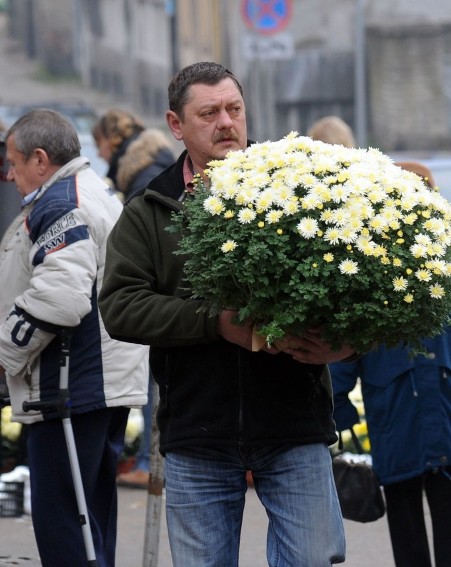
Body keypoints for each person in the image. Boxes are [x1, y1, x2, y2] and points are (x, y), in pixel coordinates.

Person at [98, 61, 350, 565]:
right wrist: (214, 324)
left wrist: (345, 342)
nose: (226, 123)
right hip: (198, 432)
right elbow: (121, 306)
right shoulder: (150, 208)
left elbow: (354, 289)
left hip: (294, 424)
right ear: (177, 125)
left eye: (234, 109)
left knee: (310, 560)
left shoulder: (302, 190)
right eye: (209, 113)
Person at [331, 161, 451, 567]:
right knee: (403, 511)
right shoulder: (368, 271)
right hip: (394, 407)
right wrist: (337, 403)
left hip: (449, 403)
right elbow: (344, 347)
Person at [0, 109, 148, 566]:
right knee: (90, 525)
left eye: (14, 161)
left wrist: (4, 351)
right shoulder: (87, 189)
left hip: (71, 389)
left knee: (66, 528)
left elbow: (61, 297)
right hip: (94, 385)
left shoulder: (62, 202)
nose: (10, 173)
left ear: (40, 159)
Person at [92, 108, 175, 489]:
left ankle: (147, 460)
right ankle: (147, 459)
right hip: (165, 289)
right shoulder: (158, 161)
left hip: (156, 290)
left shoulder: (140, 178)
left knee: (152, 384)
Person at [92, 108, 175, 203]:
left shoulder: (145, 178)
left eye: (98, 145)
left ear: (112, 140)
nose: (99, 154)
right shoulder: (148, 165)